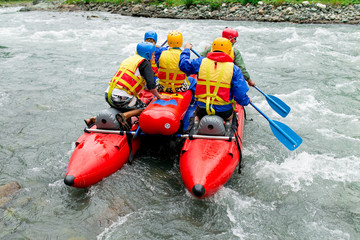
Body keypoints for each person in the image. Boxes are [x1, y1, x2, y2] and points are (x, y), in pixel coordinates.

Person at [85, 42, 169, 129]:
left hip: (108, 95)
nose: (154, 56)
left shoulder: (129, 60)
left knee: (126, 105)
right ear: (147, 55)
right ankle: (124, 116)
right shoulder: (145, 63)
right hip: (121, 98)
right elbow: (151, 86)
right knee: (145, 108)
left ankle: (94, 119)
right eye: (153, 54)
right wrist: (159, 96)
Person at [179, 37, 251, 123]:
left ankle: (196, 122)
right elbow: (240, 96)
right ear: (229, 51)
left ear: (212, 49)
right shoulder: (234, 69)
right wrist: (247, 101)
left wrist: (186, 49)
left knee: (197, 113)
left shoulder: (201, 62)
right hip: (224, 111)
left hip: (202, 109)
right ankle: (229, 127)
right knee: (231, 116)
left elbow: (183, 64)